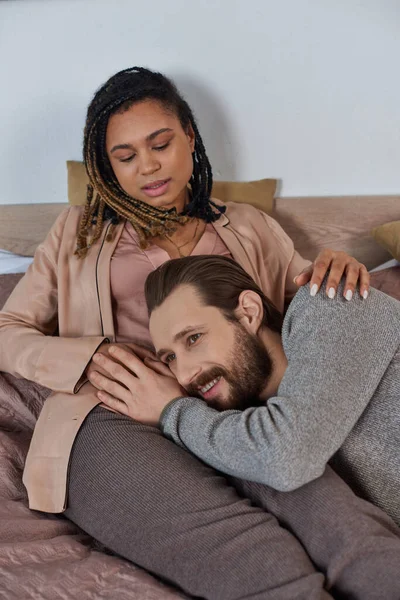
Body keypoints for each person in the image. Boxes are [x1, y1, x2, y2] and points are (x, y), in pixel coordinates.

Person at [0, 65, 377, 599]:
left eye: (160, 144)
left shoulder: (247, 225)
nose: (148, 167)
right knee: (252, 558)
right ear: (105, 168)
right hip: (114, 415)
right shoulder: (76, 231)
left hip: (237, 411)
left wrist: (336, 264)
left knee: (350, 530)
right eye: (125, 157)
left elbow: (300, 301)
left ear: (190, 139)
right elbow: (7, 328)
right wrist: (91, 356)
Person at [91, 254, 400, 529]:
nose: (184, 375)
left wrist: (172, 411)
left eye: (194, 338)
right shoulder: (246, 424)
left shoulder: (333, 304)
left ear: (249, 312)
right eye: (170, 358)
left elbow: (286, 457)